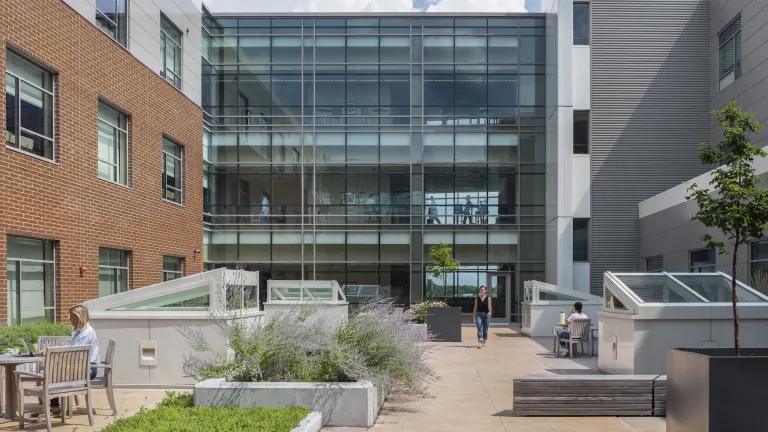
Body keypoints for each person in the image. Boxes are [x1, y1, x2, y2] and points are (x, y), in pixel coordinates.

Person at [38, 304, 100, 415]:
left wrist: (52, 353)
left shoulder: (86, 333)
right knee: (54, 371)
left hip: (88, 369)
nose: (69, 319)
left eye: (72, 316)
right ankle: (54, 405)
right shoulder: (80, 331)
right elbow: (72, 352)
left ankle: (54, 406)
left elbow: (73, 354)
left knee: (55, 373)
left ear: (79, 317)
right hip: (81, 367)